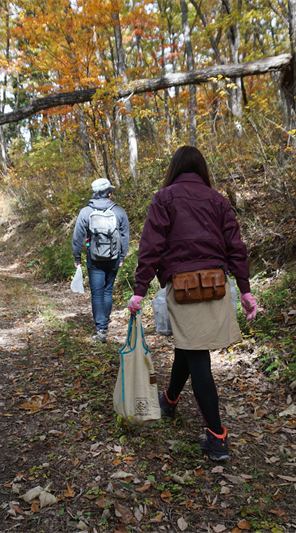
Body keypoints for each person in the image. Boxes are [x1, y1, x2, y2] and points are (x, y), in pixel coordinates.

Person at [126, 146, 257, 461]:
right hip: (217, 287)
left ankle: (216, 436)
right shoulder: (218, 200)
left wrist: (140, 289)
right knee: (189, 346)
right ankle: (169, 400)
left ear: (174, 169)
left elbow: (152, 244)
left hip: (185, 288)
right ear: (201, 169)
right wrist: (245, 289)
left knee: (197, 356)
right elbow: (235, 246)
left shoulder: (165, 198)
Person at [72, 178, 130, 343]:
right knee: (107, 291)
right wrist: (122, 256)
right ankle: (104, 322)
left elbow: (78, 237)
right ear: (109, 193)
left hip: (94, 258)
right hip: (113, 257)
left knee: (97, 293)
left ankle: (101, 329)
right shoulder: (118, 211)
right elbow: (125, 236)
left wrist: (77, 257)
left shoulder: (86, 212)